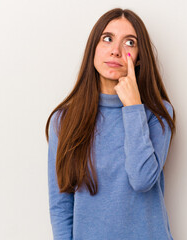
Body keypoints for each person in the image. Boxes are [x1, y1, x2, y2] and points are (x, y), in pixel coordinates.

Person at [45, 7, 176, 240]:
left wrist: (133, 107)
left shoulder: (158, 113)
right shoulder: (65, 120)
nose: (116, 51)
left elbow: (142, 179)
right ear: (93, 49)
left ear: (139, 58)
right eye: (107, 39)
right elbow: (61, 204)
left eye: (129, 43)